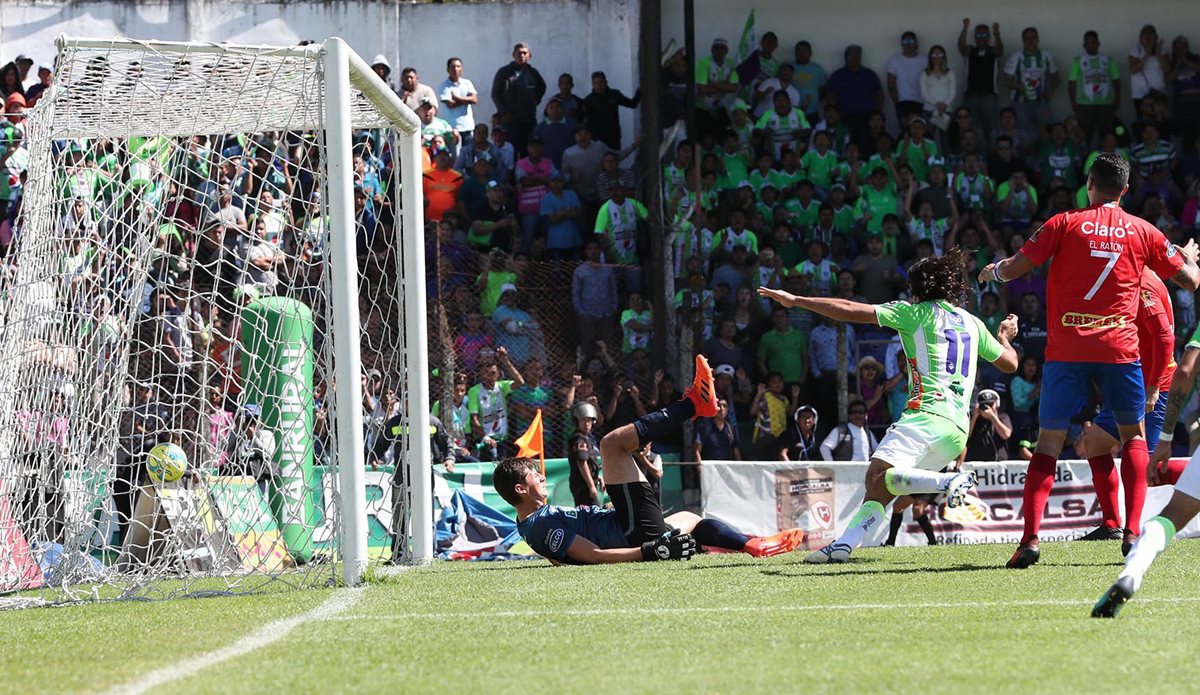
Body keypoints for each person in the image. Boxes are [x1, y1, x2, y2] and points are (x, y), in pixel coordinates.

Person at [978, 152, 1200, 569]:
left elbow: (1015, 268)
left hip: (1066, 351)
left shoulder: (1064, 222)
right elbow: (1189, 282)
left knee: (1048, 443)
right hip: (1119, 349)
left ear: (1089, 184)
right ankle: (1132, 531)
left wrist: (992, 272)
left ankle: (1030, 540)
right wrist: (1189, 259)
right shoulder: (1143, 231)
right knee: (1132, 438)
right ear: (1126, 190)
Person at [761, 246, 1021, 564]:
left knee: (876, 477)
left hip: (926, 415)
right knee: (882, 487)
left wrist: (797, 301)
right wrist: (1005, 336)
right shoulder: (972, 323)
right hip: (956, 430)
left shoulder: (913, 313)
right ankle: (844, 544)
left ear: (918, 289)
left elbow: (846, 308)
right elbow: (1010, 363)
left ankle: (948, 480)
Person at [494, 356, 802, 564]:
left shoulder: (530, 525)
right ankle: (694, 403)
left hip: (627, 525)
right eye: (537, 476)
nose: (543, 477)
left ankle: (752, 544)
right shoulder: (539, 525)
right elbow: (595, 555)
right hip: (631, 531)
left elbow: (560, 558)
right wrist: (647, 552)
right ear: (521, 489)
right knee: (612, 444)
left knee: (690, 519)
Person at [1079, 269, 1174, 551]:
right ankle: (1111, 523)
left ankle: (1131, 529)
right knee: (1094, 443)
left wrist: (1154, 387)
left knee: (1153, 468)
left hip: (1150, 386)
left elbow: (1165, 338)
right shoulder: (1143, 274)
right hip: (1130, 382)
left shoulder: (1142, 282)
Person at [491, 43, 547, 155]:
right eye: (519, 53)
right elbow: (495, 93)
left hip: (528, 119)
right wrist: (504, 112)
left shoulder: (533, 73)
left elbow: (542, 87)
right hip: (510, 120)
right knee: (510, 151)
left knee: (528, 150)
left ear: (529, 55)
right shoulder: (504, 72)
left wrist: (534, 101)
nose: (522, 56)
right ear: (513, 55)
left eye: (524, 53)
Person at [1003, 27, 1059, 141]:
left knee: (1048, 132)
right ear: (1022, 40)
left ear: (1038, 39)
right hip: (1020, 103)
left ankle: (1046, 157)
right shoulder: (1016, 57)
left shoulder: (1046, 55)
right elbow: (1006, 80)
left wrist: (1051, 90)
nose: (1030, 41)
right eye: (1026, 38)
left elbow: (1056, 77)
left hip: (1041, 102)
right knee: (1021, 134)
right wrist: (1019, 87)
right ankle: (1024, 158)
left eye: (1033, 38)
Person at [1068, 31, 1121, 147]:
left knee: (1107, 136)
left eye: (1093, 42)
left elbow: (1116, 79)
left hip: (1106, 104)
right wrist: (1073, 102)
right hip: (1085, 105)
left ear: (1098, 43)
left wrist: (1117, 100)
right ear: (1084, 46)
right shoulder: (1078, 60)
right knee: (1085, 136)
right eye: (1087, 43)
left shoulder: (1108, 59)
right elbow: (1071, 82)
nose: (1090, 45)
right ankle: (1085, 161)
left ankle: (1107, 162)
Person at [958, 19, 1004, 141]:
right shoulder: (970, 50)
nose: (981, 38)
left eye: (984, 35)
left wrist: (996, 34)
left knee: (992, 130)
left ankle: (991, 158)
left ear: (989, 36)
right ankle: (972, 158)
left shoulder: (992, 51)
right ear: (974, 37)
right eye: (978, 35)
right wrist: (965, 29)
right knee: (970, 131)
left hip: (989, 97)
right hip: (970, 96)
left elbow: (1000, 51)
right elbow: (961, 47)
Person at [224, 404, 278, 498]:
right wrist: (237, 429)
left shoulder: (266, 434)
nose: (252, 422)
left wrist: (253, 438)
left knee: (260, 505)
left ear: (260, 420)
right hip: (238, 478)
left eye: (255, 419)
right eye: (249, 419)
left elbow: (268, 454)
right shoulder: (237, 435)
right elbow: (224, 447)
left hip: (258, 477)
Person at [582, 71, 640, 150]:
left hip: (613, 137)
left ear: (606, 82)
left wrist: (640, 92)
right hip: (597, 140)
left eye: (601, 82)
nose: (598, 86)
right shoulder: (588, 101)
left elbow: (632, 104)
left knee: (614, 161)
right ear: (592, 84)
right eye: (595, 83)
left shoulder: (615, 95)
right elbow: (583, 121)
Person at [887, 31, 928, 122]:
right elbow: (891, 86)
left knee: (921, 132)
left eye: (911, 41)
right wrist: (897, 104)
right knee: (905, 133)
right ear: (901, 44)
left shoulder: (925, 59)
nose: (908, 45)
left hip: (923, 102)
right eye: (905, 42)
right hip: (903, 102)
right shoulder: (894, 61)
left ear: (916, 43)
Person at [567, 401, 603, 506]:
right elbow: (582, 463)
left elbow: (590, 462)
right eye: (583, 420)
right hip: (582, 485)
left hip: (587, 482)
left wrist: (597, 477)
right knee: (590, 515)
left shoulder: (588, 438)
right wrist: (591, 485)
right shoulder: (579, 439)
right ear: (576, 421)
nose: (587, 423)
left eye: (589, 420)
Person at [439, 57, 479, 149]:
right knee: (455, 157)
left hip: (468, 127)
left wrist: (457, 98)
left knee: (468, 156)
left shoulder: (467, 83)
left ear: (461, 69)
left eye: (458, 66)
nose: (456, 69)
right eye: (453, 67)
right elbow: (450, 104)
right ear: (448, 69)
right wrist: (467, 101)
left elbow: (474, 100)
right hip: (453, 128)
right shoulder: (444, 86)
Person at [964, 388, 1012, 461]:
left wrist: (993, 417)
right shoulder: (973, 419)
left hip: (999, 464)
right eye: (985, 404)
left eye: (991, 404)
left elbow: (1006, 435)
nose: (987, 407)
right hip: (978, 463)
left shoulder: (1003, 417)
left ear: (997, 404)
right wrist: (974, 417)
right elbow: (967, 436)